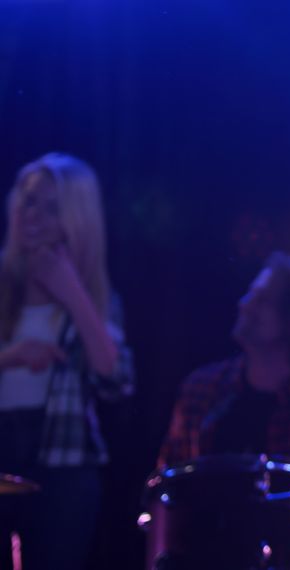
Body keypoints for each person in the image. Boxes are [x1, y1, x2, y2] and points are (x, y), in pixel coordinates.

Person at [0, 153, 134, 570]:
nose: (33, 216)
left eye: (51, 207)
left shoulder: (94, 297)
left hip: (64, 461)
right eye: (29, 201)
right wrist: (12, 357)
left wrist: (72, 292)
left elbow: (116, 380)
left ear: (76, 220)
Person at [158, 252, 290, 473]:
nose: (244, 304)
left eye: (262, 299)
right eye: (250, 294)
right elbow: (171, 486)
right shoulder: (200, 390)